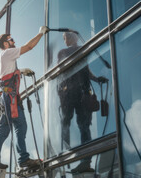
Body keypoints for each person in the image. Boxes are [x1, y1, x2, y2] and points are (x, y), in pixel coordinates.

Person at [0, 26, 49, 170]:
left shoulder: (1, 58)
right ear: (5, 43)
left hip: (6, 97)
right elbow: (29, 46)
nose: (13, 41)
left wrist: (21, 71)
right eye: (11, 40)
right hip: (10, 98)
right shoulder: (8, 53)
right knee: (20, 126)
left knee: (4, 129)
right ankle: (23, 160)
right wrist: (40, 33)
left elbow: (6, 74)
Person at [57, 32, 107, 174]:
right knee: (66, 121)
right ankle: (67, 153)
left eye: (66, 37)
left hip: (81, 93)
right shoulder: (64, 52)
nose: (65, 40)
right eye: (64, 38)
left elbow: (86, 71)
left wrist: (97, 79)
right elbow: (61, 71)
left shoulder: (81, 50)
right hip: (69, 93)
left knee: (83, 125)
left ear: (73, 38)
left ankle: (85, 160)